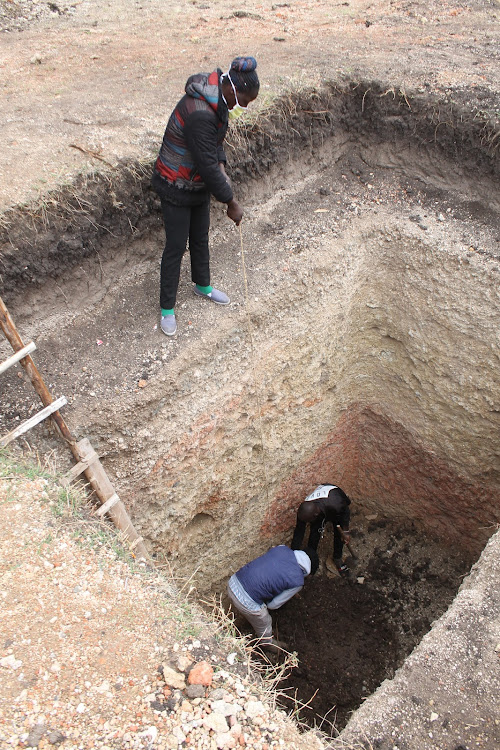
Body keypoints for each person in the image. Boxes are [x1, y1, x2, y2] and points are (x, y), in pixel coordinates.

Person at [151, 56, 260, 336]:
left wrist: (222, 169)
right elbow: (207, 163)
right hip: (175, 182)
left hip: (196, 182)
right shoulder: (200, 112)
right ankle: (167, 309)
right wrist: (230, 201)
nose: (243, 107)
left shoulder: (219, 102)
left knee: (200, 236)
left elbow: (215, 146)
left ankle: (203, 285)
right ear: (232, 89)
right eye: (244, 101)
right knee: (176, 246)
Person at [227, 545, 319, 650]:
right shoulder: (298, 582)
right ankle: (268, 644)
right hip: (246, 602)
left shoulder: (281, 548)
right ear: (309, 571)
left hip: (233, 582)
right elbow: (273, 605)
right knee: (265, 621)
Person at [291, 484, 352, 577]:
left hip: (335, 506)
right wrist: (292, 554)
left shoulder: (337, 505)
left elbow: (346, 513)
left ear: (315, 515)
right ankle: (310, 558)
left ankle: (337, 558)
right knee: (315, 531)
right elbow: (299, 531)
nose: (307, 523)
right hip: (321, 508)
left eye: (308, 521)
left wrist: (346, 532)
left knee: (339, 534)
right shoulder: (304, 509)